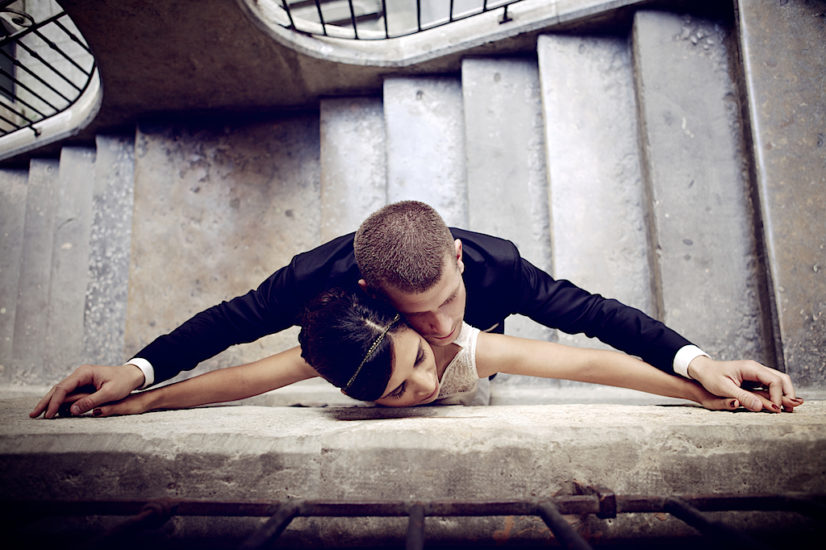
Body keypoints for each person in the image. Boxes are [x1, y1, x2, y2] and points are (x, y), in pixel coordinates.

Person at [31, 201, 798, 419]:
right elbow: (230, 336)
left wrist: (701, 370)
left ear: (460, 262)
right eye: (419, 318)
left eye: (446, 305)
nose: (440, 331)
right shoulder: (323, 289)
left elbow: (594, 326)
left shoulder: (492, 267)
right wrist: (139, 376)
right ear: (372, 299)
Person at [58, 288, 801, 416]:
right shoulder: (326, 359)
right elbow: (238, 381)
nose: (422, 381)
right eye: (397, 393)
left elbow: (586, 360)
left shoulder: (466, 345)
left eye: (417, 359)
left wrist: (704, 388)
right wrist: (140, 396)